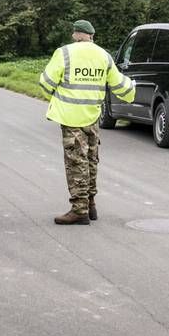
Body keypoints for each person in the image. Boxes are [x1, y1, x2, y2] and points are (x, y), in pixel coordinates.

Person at [38, 20, 136, 225]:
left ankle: (79, 210)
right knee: (91, 161)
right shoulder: (104, 55)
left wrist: (55, 94)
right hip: (93, 118)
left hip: (71, 118)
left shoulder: (64, 53)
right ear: (91, 35)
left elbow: (45, 83)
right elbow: (122, 88)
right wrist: (133, 88)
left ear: (76, 34)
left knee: (76, 163)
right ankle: (91, 205)